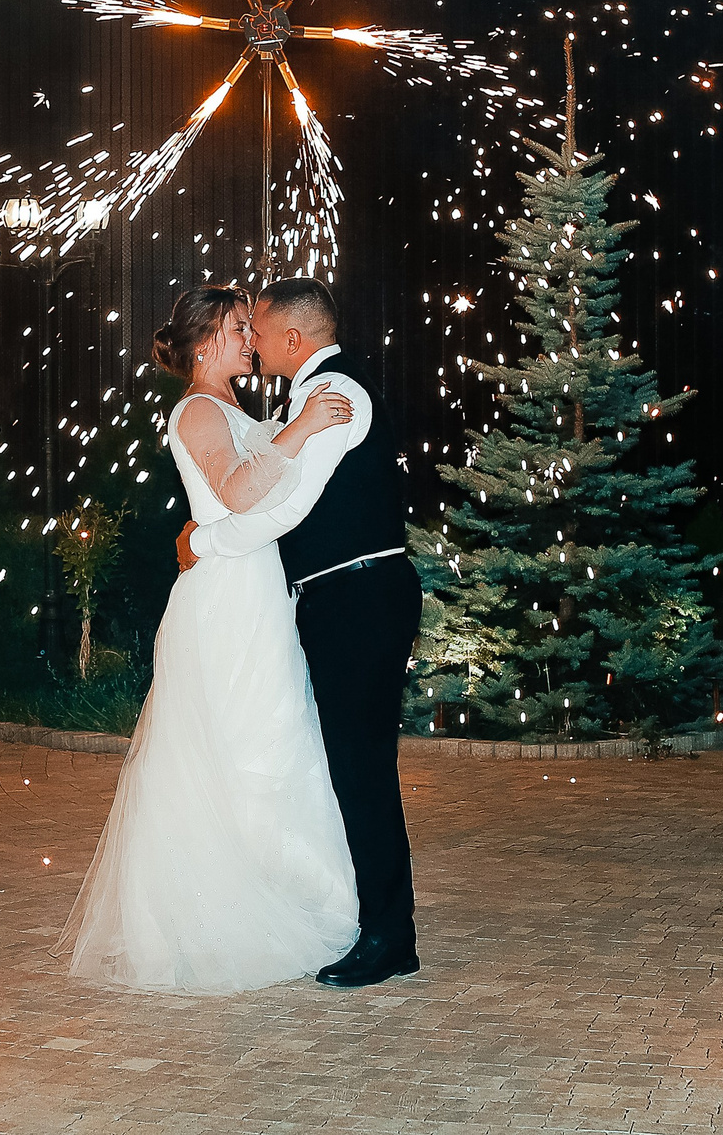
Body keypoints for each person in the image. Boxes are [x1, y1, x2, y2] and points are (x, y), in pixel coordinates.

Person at [59, 284, 361, 992]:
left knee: (273, 735)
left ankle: (286, 895)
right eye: (235, 329)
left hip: (253, 587)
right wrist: (303, 425)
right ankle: (219, 918)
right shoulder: (196, 409)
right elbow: (235, 491)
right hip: (225, 600)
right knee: (244, 740)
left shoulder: (231, 407)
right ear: (204, 344)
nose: (250, 338)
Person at [175, 274, 422, 988]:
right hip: (336, 598)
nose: (249, 337)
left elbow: (287, 507)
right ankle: (368, 922)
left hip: (358, 599)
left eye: (255, 327)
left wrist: (206, 545)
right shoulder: (310, 396)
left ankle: (387, 937)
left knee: (361, 767)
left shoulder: (333, 397)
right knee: (344, 763)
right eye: (236, 328)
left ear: (292, 338)